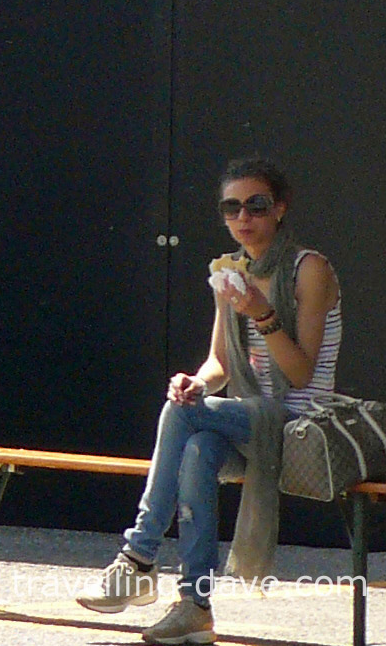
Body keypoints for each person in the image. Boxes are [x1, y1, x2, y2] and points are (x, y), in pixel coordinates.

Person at [77, 157, 342, 646]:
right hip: (246, 417)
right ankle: (195, 606)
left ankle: (137, 556)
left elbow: (301, 374)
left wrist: (260, 312)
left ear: (279, 209)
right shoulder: (230, 273)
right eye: (232, 207)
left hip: (301, 422)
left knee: (182, 415)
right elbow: (218, 362)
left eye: (257, 205)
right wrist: (196, 382)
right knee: (196, 444)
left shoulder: (310, 269)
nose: (244, 217)